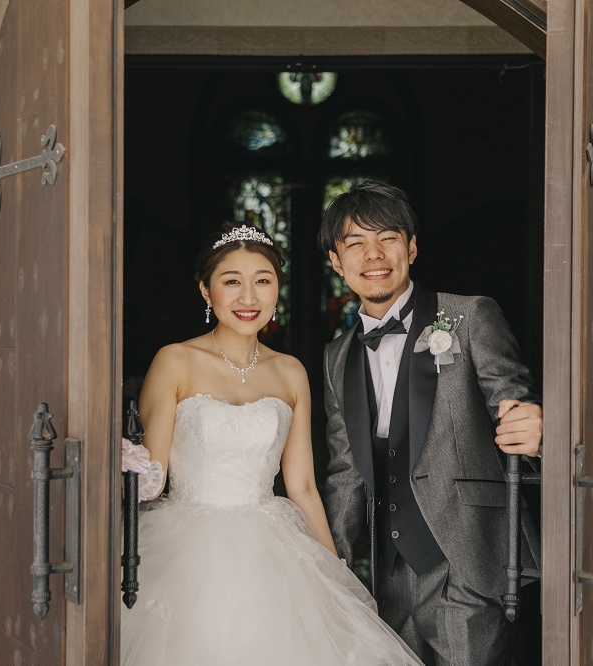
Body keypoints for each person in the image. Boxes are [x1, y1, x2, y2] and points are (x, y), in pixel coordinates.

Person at [120, 223, 423, 665]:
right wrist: (125, 461)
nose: (248, 297)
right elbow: (153, 477)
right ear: (206, 291)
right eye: (231, 282)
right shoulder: (175, 361)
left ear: (277, 290)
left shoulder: (291, 372)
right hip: (188, 548)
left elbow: (302, 486)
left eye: (262, 281)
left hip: (272, 546)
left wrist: (334, 572)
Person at [319, 180, 543, 665]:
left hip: (469, 557)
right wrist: (330, 564)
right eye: (355, 243)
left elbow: (515, 404)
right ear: (336, 261)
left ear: (412, 247)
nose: (374, 255)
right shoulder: (336, 356)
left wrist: (538, 432)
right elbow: (345, 471)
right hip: (387, 574)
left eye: (388, 238)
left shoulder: (469, 316)